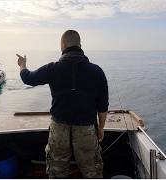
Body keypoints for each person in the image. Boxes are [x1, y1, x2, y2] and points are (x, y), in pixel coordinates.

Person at [16, 30, 109, 178]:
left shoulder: (53, 68)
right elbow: (103, 107)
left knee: (57, 171)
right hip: (86, 129)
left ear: (63, 45)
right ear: (80, 45)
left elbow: (29, 78)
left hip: (59, 129)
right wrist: (101, 128)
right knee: (92, 170)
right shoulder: (96, 71)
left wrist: (22, 65)